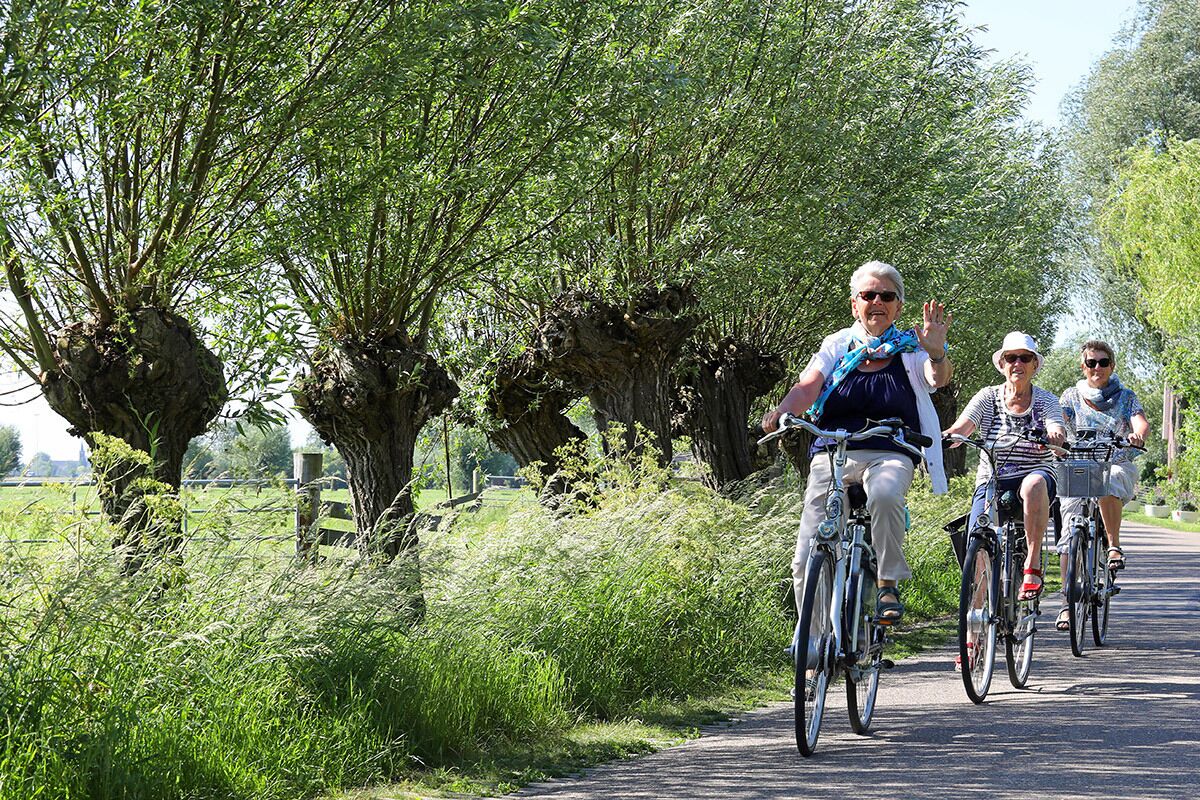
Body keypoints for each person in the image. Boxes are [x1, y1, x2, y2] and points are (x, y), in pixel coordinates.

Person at [762, 260, 952, 624]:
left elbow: (937, 378)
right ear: (855, 304)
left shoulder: (912, 348)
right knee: (805, 557)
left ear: (898, 305)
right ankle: (814, 647)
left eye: (886, 295)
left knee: (883, 494)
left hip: (891, 451)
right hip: (834, 451)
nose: (877, 301)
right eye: (868, 295)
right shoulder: (837, 344)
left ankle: (887, 582)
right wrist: (782, 411)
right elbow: (808, 385)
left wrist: (937, 351)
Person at [944, 332, 1066, 607]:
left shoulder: (1046, 401)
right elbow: (963, 427)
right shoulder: (987, 397)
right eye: (1011, 358)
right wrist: (946, 436)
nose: (1017, 363)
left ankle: (1032, 567)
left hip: (1036, 473)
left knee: (1033, 484)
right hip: (993, 478)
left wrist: (1055, 436)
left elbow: (1056, 427)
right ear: (1002, 364)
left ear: (1035, 364)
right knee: (978, 542)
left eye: (1025, 358)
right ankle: (973, 630)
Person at [1054, 339, 1149, 631]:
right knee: (1069, 530)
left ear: (1112, 366)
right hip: (1078, 464)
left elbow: (1140, 423)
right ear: (1083, 367)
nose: (1097, 368)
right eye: (1091, 363)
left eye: (1103, 362)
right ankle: (1067, 604)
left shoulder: (1125, 396)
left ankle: (1113, 545)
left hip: (1115, 459)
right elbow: (1057, 421)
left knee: (1108, 482)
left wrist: (1137, 436)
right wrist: (1056, 437)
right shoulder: (1070, 396)